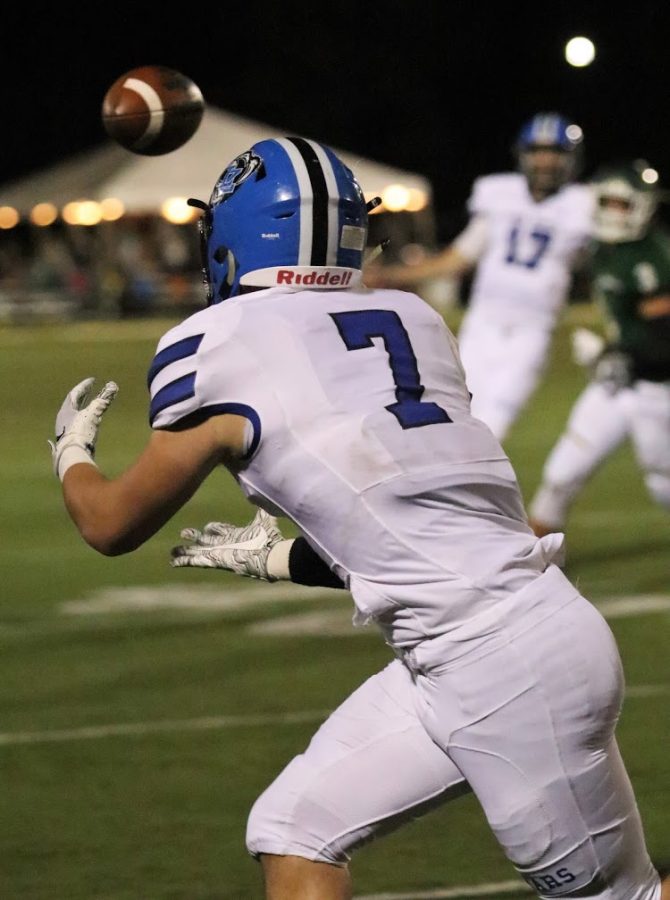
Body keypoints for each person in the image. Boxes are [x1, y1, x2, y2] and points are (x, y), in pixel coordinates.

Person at [51, 137, 668, 900]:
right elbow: (419, 536)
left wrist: (70, 450)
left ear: (241, 233)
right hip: (475, 645)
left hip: (498, 664)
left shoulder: (216, 344)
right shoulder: (412, 319)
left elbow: (109, 523)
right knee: (294, 830)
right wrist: (275, 559)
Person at [365, 111, 594, 442]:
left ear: (571, 159)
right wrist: (391, 274)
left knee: (491, 426)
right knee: (452, 411)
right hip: (483, 324)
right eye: (539, 151)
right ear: (522, 154)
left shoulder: (583, 204)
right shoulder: (499, 194)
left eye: (555, 152)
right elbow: (458, 258)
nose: (545, 161)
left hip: (531, 330)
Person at [529, 160, 670, 537]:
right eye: (606, 202)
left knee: (664, 486)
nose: (612, 212)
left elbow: (664, 340)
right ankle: (535, 569)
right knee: (562, 474)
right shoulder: (603, 248)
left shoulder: (654, 256)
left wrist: (614, 355)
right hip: (617, 382)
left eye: (621, 204)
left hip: (658, 391)